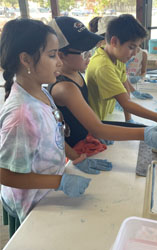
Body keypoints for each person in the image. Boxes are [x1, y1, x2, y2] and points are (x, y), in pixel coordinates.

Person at [48, 16, 157, 163]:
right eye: (84, 53)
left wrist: (133, 121)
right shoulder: (65, 87)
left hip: (89, 134)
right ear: (60, 56)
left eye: (90, 51)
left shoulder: (74, 72)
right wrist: (146, 131)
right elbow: (98, 128)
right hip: (78, 148)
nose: (89, 56)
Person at [0, 18, 94, 224]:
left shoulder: (42, 92)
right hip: (31, 205)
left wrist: (76, 157)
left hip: (47, 192)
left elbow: (56, 133)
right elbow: (5, 175)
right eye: (52, 55)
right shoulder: (21, 116)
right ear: (25, 59)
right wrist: (59, 182)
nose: (59, 62)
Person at [86, 14, 157, 129]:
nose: (134, 54)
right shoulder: (103, 66)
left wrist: (128, 118)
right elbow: (126, 103)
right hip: (95, 121)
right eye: (131, 47)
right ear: (114, 41)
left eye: (137, 48)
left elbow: (125, 87)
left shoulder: (116, 58)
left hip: (106, 116)